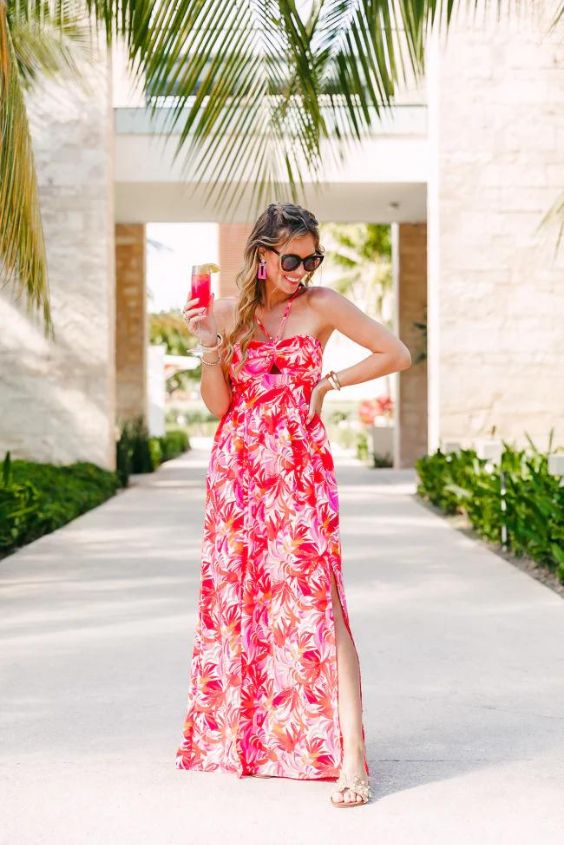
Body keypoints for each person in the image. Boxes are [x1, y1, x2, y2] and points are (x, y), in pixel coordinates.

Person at [176, 202, 411, 807]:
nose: (303, 270)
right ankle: (255, 741)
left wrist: (329, 383)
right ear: (260, 256)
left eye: (312, 259)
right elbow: (218, 407)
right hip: (239, 475)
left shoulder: (321, 305)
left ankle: (352, 758)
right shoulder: (228, 315)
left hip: (300, 472)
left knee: (320, 600)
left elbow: (395, 353)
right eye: (292, 259)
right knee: (248, 600)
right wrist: (208, 345)